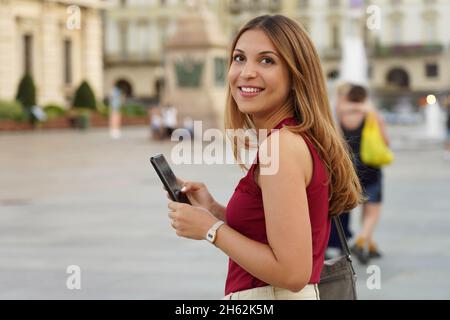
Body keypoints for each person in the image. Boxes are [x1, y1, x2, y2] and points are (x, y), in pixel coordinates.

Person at [165, 15, 362, 300]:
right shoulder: (292, 140)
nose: (246, 72)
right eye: (239, 58)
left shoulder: (280, 147)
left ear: (296, 77)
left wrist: (210, 229)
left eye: (267, 60)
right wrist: (213, 210)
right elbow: (269, 234)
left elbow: (293, 273)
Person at [335, 84, 390, 264]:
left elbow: (338, 140)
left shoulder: (341, 113)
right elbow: (385, 141)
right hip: (371, 166)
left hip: (350, 167)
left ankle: (368, 244)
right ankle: (361, 241)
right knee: (372, 209)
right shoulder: (371, 114)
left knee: (356, 204)